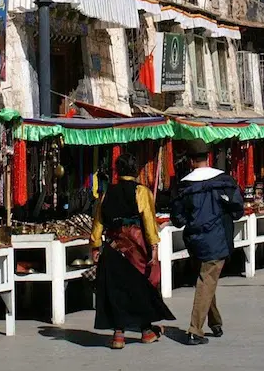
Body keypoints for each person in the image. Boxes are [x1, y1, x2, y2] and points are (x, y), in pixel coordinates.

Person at [90, 153, 175, 349]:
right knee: (140, 288)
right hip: (135, 247)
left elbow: (98, 222)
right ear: (135, 171)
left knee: (117, 290)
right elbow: (149, 223)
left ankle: (118, 335)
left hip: (113, 248)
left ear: (117, 171)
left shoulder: (106, 193)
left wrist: (95, 247)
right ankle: (146, 331)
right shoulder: (141, 192)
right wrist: (153, 250)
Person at [170, 139, 243, 346]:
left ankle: (216, 322)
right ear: (208, 157)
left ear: (191, 161)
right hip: (217, 238)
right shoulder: (224, 182)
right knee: (206, 281)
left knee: (205, 280)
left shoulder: (184, 186)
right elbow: (237, 210)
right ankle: (195, 330)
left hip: (195, 241)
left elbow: (178, 219)